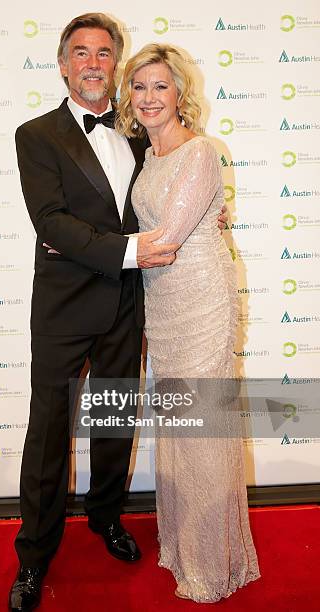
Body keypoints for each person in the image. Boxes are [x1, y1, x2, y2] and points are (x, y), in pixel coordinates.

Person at [10, 14, 227, 611]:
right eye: (80, 52)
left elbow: (170, 187)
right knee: (49, 432)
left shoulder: (138, 133)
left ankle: (106, 518)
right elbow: (51, 222)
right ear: (63, 63)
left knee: (114, 427)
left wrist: (212, 216)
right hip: (63, 308)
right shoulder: (36, 135)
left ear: (116, 64)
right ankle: (33, 555)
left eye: (105, 52)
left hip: (129, 307)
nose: (93, 62)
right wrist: (128, 250)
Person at [116, 43, 260, 603]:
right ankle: (182, 544)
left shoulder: (199, 151)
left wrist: (85, 250)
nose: (150, 98)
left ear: (181, 93)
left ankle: (213, 561)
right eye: (140, 87)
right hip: (163, 305)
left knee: (202, 431)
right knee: (178, 429)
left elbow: (169, 240)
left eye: (161, 86)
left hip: (200, 299)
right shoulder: (149, 155)